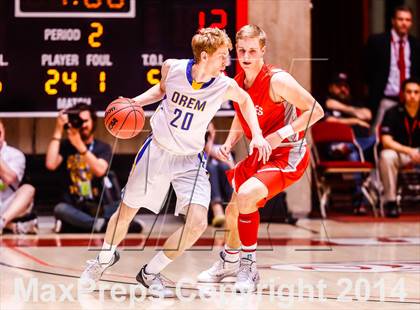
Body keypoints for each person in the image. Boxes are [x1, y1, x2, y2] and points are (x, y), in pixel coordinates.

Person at [79, 27, 271, 297]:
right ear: (204, 56)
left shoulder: (224, 85)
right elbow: (160, 90)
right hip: (157, 151)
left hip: (190, 160)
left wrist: (258, 136)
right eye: (222, 56)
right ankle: (102, 259)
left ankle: (150, 272)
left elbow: (247, 101)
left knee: (197, 223)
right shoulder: (173, 68)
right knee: (125, 213)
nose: (227, 61)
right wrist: (134, 103)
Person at [198, 25, 324, 292]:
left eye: (252, 51)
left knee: (245, 196)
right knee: (233, 210)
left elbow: (316, 110)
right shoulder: (240, 80)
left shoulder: (277, 80)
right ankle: (229, 262)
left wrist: (281, 134)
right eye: (241, 50)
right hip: (262, 154)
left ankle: (249, 268)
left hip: (288, 154)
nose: (245, 56)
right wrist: (230, 141)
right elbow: (243, 110)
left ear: (263, 51)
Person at [45, 103, 122, 233]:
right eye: (79, 121)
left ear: (93, 122)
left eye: (85, 121)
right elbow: (50, 164)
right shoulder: (65, 146)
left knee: (122, 207)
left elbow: (100, 170)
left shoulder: (103, 147)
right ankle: (101, 225)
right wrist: (58, 129)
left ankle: (78, 225)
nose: (83, 125)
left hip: (100, 206)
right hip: (74, 205)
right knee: (60, 209)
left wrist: (79, 145)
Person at [323, 72, 376, 214]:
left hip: (362, 144)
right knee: (353, 155)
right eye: (339, 86)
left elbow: (368, 115)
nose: (343, 89)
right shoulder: (326, 102)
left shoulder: (355, 103)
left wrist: (348, 109)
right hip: (334, 145)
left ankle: (347, 147)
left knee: (376, 139)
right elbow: (329, 121)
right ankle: (359, 202)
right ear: (331, 88)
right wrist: (356, 119)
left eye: (345, 86)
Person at [365, 5, 420, 128]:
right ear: (393, 21)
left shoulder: (416, 45)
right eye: (401, 19)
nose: (404, 23)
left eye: (408, 20)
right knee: (377, 136)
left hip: (410, 101)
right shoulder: (377, 42)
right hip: (385, 100)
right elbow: (366, 72)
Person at [379, 77, 420, 218]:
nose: (413, 95)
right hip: (401, 153)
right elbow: (386, 141)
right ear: (403, 94)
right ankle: (391, 202)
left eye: (416, 92)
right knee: (386, 155)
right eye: (409, 92)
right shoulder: (393, 112)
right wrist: (409, 151)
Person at [0, 119, 37, 234]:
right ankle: (13, 227)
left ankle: (2, 222)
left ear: (4, 132)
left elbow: (9, 179)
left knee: (28, 189)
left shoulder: (16, 154)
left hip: (8, 207)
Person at [205, 122, 234, 227]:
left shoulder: (221, 148)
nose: (208, 135)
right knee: (210, 168)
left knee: (224, 167)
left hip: (225, 186)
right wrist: (207, 147)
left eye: (209, 133)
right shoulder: (196, 152)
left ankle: (233, 208)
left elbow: (232, 168)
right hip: (206, 188)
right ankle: (217, 210)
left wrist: (214, 153)